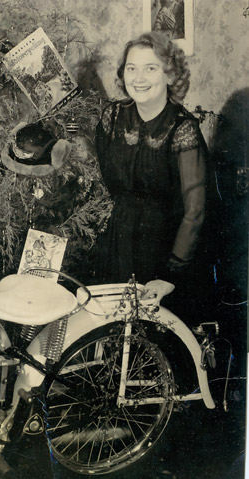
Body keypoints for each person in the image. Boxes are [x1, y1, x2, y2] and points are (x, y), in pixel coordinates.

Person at [94, 31, 208, 326]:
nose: (138, 77)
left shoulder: (183, 129)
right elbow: (105, 181)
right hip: (116, 242)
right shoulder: (111, 116)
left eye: (151, 68)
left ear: (170, 75)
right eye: (131, 68)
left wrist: (168, 277)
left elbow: (194, 211)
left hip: (163, 252)